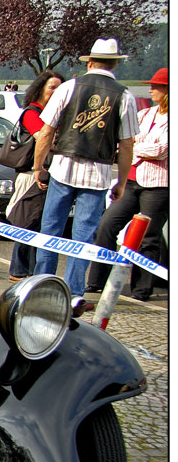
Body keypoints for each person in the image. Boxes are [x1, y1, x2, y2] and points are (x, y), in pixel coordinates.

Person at [30, 38, 139, 315]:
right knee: (82, 237)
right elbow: (127, 145)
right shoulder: (124, 96)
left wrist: (38, 166)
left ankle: (42, 284)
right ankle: (74, 292)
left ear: (89, 62)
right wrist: (122, 182)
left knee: (50, 231)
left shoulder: (68, 87)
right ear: (115, 64)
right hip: (97, 174)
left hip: (63, 167)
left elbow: (46, 131)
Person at [86, 68, 168, 301]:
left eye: (156, 86)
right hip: (133, 180)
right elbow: (128, 139)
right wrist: (132, 148)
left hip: (159, 185)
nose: (150, 89)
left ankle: (142, 289)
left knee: (149, 236)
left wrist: (132, 150)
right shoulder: (146, 114)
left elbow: (160, 150)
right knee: (106, 226)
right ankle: (96, 281)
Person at [6, 69, 65, 281]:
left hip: (47, 174)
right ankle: (20, 271)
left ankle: (28, 271)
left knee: (38, 223)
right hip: (31, 174)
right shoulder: (32, 113)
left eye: (60, 88)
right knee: (27, 221)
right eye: (52, 87)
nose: (56, 92)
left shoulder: (56, 114)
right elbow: (43, 138)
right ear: (40, 89)